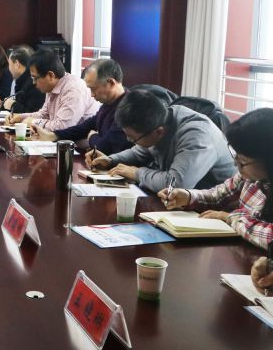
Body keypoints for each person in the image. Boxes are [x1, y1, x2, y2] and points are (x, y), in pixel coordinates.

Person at [159, 108, 273, 249]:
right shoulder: (249, 177)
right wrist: (188, 197)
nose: (236, 164)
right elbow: (217, 196)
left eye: (243, 161)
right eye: (235, 155)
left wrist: (230, 218)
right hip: (242, 251)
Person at [88, 90, 235, 193]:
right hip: (180, 202)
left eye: (133, 138)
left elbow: (176, 184)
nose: (129, 140)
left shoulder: (197, 136)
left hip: (216, 208)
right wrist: (110, 160)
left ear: (159, 132)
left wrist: (137, 173)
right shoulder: (162, 118)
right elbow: (140, 151)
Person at [33, 59, 131, 155]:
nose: (92, 95)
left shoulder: (128, 108)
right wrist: (52, 136)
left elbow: (105, 147)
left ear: (111, 83)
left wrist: (92, 136)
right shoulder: (108, 103)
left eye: (93, 89)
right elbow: (85, 127)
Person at [8, 49, 100, 130]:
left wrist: (33, 122)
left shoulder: (73, 89)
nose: (34, 83)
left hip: (78, 144)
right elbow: (44, 114)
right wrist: (20, 117)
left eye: (35, 78)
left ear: (50, 75)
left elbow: (63, 126)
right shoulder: (52, 87)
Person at [0, 45, 44, 114]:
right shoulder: (23, 81)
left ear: (17, 64)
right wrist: (2, 104)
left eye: (9, 64)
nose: (8, 69)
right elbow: (21, 106)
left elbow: (33, 114)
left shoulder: (34, 83)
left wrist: (13, 105)